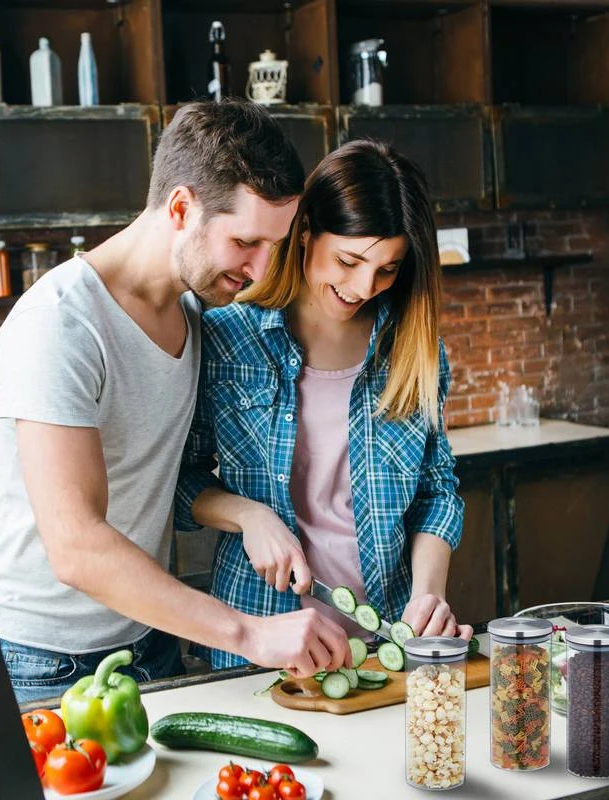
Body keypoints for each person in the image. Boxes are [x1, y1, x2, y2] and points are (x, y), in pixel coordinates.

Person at [0, 99, 351, 704]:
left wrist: (250, 513)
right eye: (245, 242)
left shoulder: (196, 313)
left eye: (273, 245)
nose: (260, 269)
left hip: (151, 639)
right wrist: (249, 633)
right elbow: (76, 547)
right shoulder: (61, 323)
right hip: (42, 661)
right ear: (181, 208)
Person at [175, 139, 472, 669]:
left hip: (389, 644)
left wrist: (429, 596)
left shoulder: (415, 352)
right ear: (306, 231)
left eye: (388, 269)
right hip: (261, 638)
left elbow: (437, 490)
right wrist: (248, 515)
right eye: (349, 260)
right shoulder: (226, 337)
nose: (364, 287)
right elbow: (181, 480)